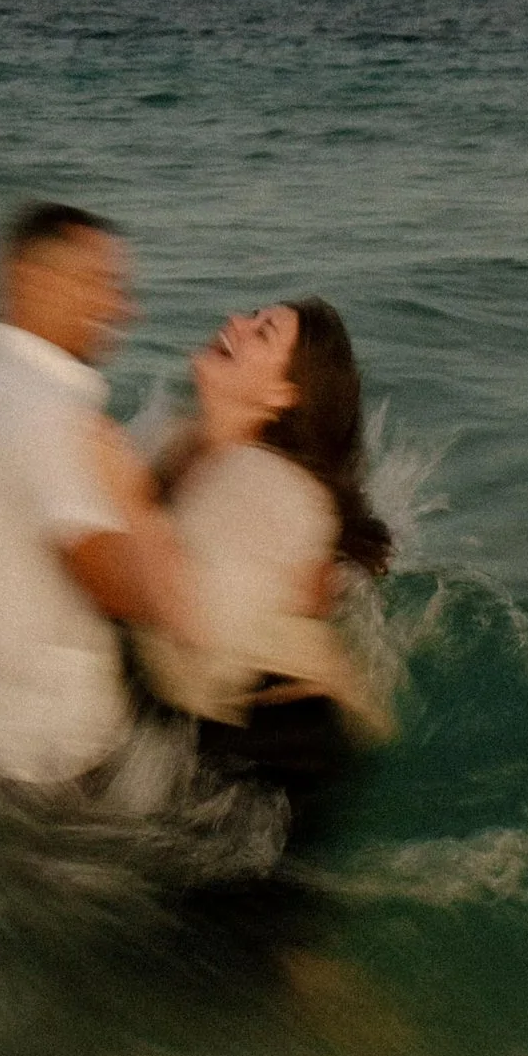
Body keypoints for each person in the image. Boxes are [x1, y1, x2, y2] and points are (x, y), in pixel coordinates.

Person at [0, 201, 252, 796]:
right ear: (31, 279)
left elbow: (67, 507)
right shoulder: (44, 409)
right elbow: (110, 580)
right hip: (47, 763)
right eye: (99, 282)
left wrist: (192, 450)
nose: (122, 308)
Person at [130, 297, 397, 850]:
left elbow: (191, 623)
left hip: (273, 749)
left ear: (284, 394)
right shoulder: (180, 441)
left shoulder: (263, 489)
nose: (236, 322)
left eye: (263, 332)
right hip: (239, 728)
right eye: (252, 317)